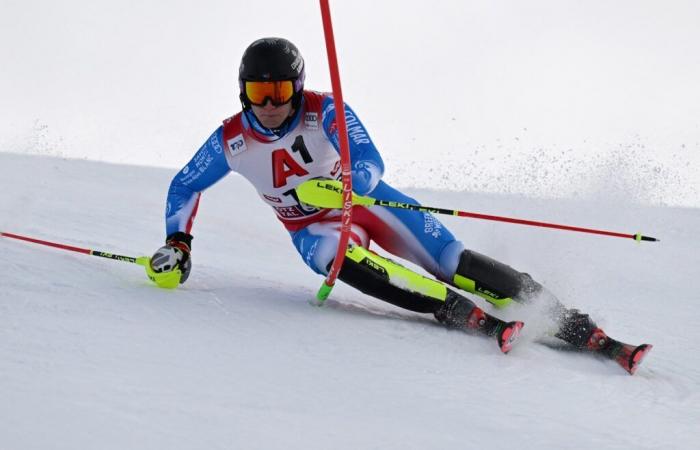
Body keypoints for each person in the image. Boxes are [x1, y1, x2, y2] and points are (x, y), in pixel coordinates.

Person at [148, 37, 651, 372]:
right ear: (243, 92)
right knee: (335, 257)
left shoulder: (325, 110)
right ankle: (459, 313)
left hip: (362, 201)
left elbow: (368, 158)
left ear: (297, 87)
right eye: (259, 92)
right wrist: (178, 243)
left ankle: (576, 325)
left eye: (280, 90)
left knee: (454, 261)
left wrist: (352, 180)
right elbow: (183, 187)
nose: (270, 104)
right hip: (314, 229)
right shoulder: (232, 141)